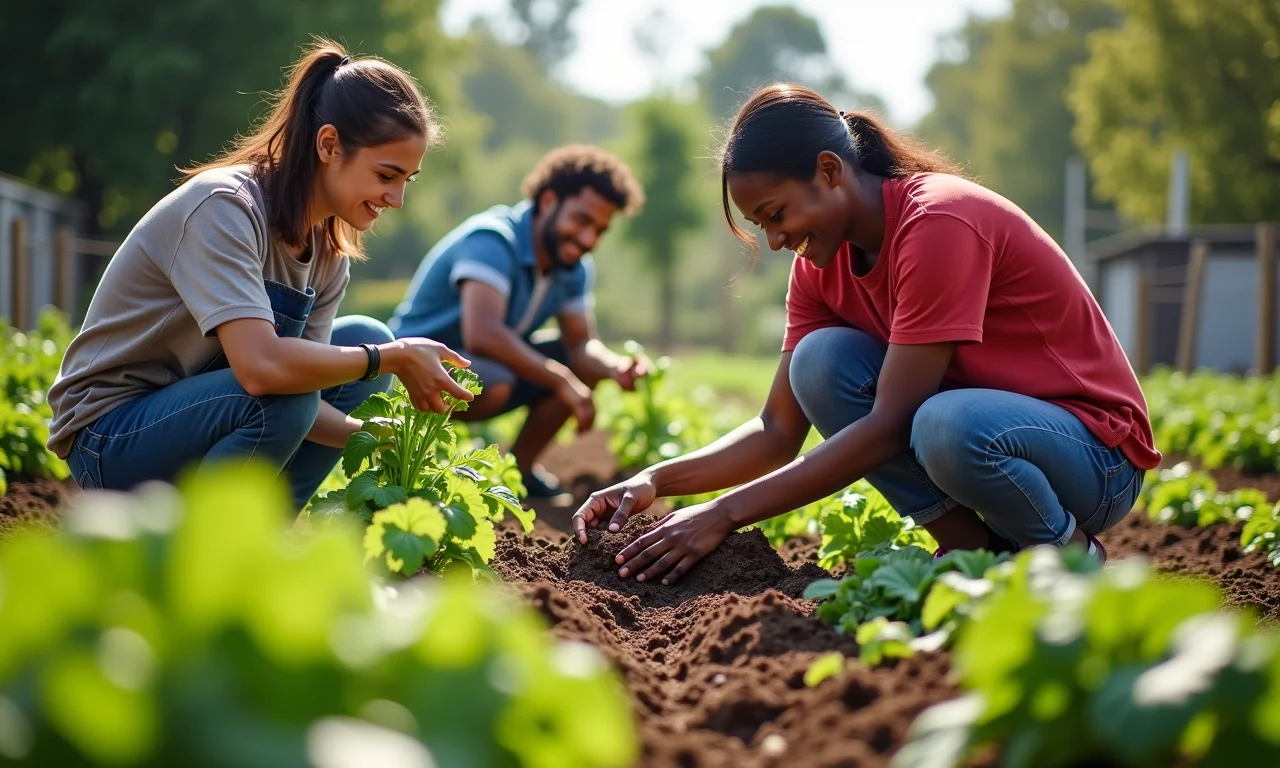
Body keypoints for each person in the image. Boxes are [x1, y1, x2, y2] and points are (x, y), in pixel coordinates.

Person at [571, 83, 1162, 585]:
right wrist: (655, 480)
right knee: (819, 362)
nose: (775, 241)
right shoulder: (818, 268)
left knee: (940, 422)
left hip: (1093, 458)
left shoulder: (937, 222)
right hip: (989, 443)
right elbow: (778, 429)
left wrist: (723, 514)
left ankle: (1067, 561)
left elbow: (888, 427)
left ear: (829, 171)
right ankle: (971, 553)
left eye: (776, 215)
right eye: (760, 226)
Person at [47, 40, 474, 511]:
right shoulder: (225, 208)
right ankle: (210, 557)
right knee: (307, 383)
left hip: (199, 412)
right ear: (329, 145)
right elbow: (261, 372)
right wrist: (390, 357)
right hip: (109, 435)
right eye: (386, 175)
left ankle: (261, 543)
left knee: (363, 339)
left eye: (406, 181)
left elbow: (298, 393)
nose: (396, 199)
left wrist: (369, 434)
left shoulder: (328, 253)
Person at [388, 145, 651, 502]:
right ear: (547, 201)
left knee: (571, 363)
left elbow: (580, 344)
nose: (589, 240)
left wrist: (616, 367)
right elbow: (482, 335)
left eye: (600, 231)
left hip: (478, 364)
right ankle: (409, 464)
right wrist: (561, 379)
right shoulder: (494, 239)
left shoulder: (571, 267)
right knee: (495, 381)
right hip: (409, 368)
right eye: (582, 220)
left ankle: (518, 473)